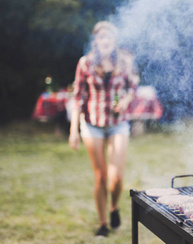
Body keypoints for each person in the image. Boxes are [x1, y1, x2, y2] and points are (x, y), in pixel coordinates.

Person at [68, 21, 139, 238]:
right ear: (95, 41)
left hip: (118, 123)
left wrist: (126, 100)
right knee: (101, 176)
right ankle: (102, 224)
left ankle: (114, 206)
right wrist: (74, 130)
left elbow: (133, 86)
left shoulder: (124, 62)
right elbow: (78, 96)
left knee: (116, 177)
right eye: (101, 37)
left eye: (108, 37)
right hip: (92, 124)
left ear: (114, 40)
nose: (105, 41)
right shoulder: (85, 63)